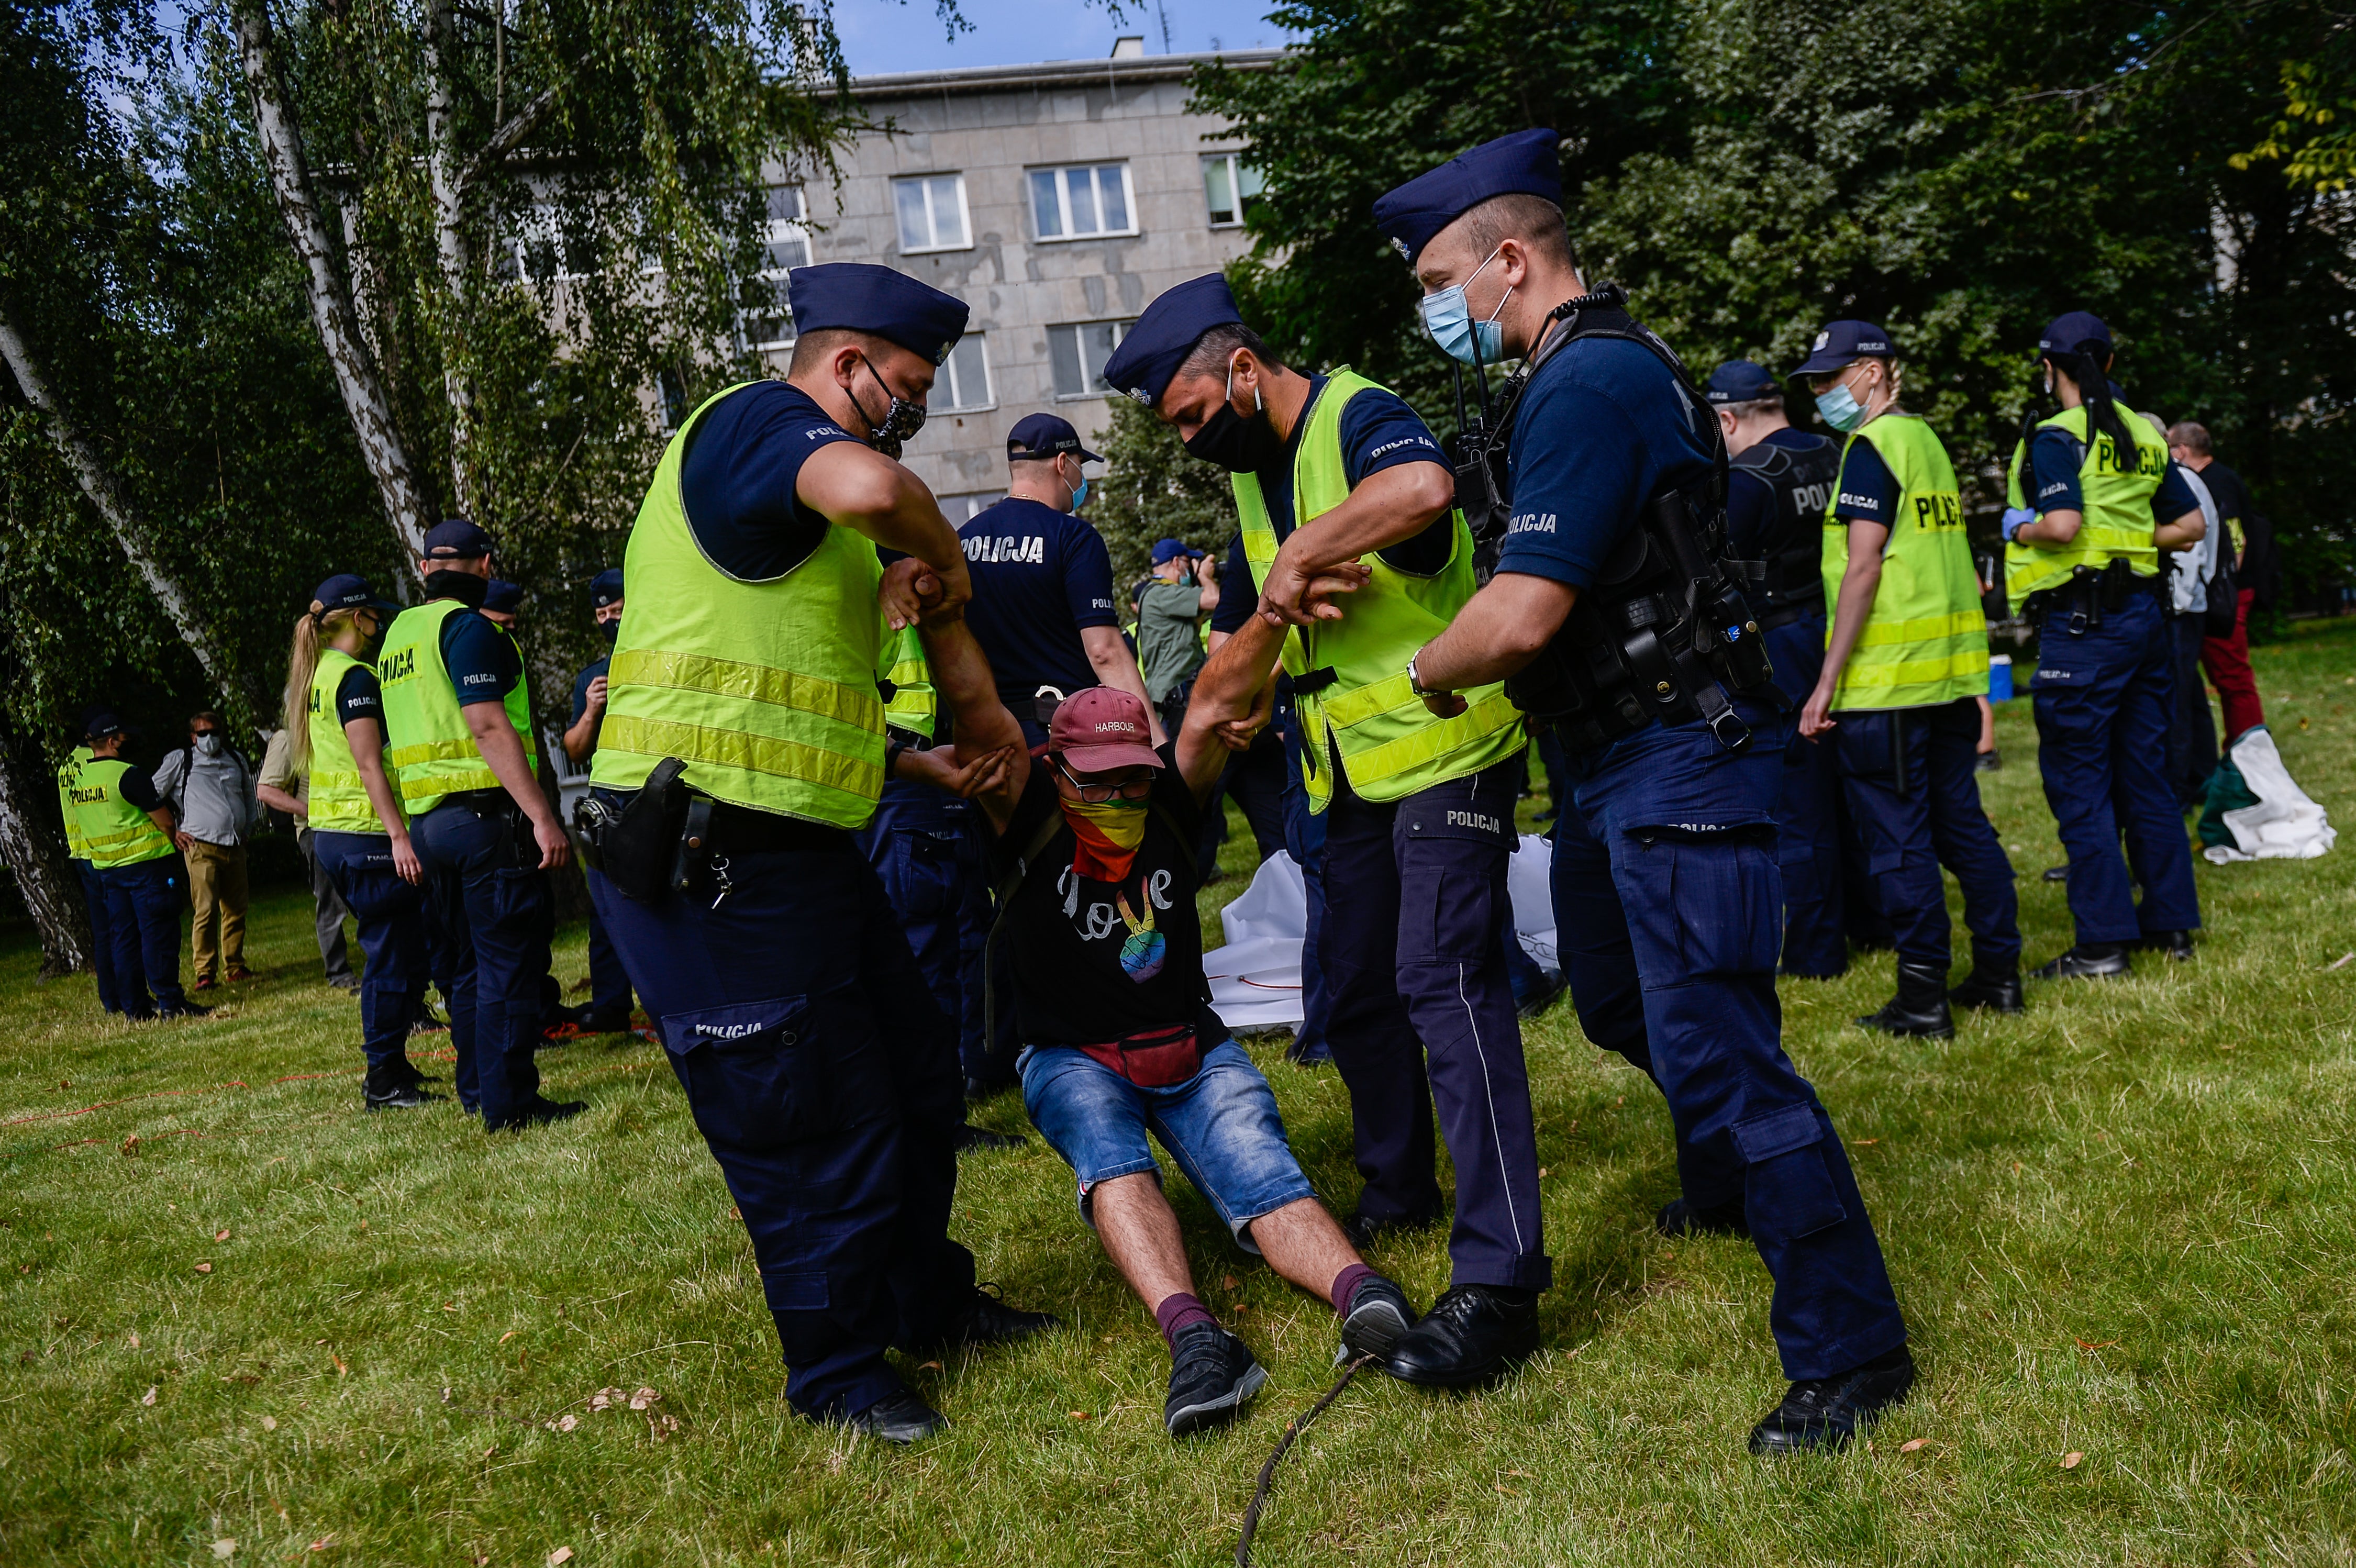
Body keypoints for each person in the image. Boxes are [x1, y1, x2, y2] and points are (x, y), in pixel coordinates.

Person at [1374, 129, 1912, 1450]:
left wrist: (1431, 670)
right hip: (1610, 760)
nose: (1434, 309)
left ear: (1508, 260)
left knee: (1722, 1054)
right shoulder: (1577, 376)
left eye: (1441, 278)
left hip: (1677, 753)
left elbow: (1514, 618)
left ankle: (1851, 1350)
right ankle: (1729, 1182)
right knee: (1617, 1002)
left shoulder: (1588, 383)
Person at [582, 262, 1054, 1444]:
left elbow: (780, 691)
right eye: (904, 384)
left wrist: (916, 759)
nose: (913, 409)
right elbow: (876, 480)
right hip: (707, 859)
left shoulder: (817, 534)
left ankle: (923, 1300)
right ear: (844, 365)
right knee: (804, 1118)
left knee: (911, 1076)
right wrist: (950, 605)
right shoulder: (755, 418)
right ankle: (836, 1365)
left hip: (799, 846)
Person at [1103, 271, 1546, 1388]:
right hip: (1342, 774)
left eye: (1197, 416)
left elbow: (1423, 487)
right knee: (1350, 988)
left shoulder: (1354, 413)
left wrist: (1301, 560)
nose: (1194, 442)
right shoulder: (1261, 474)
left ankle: (1501, 1275)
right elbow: (1279, 620)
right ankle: (1398, 1187)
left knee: (1445, 987)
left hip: (1446, 747)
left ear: (1244, 370)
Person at [926, 576, 1425, 1437]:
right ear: (1059, 769)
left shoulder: (1169, 796)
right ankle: (1196, 1341)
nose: (1119, 801)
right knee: (1111, 1160)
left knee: (1261, 1168)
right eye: (1099, 784)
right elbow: (975, 702)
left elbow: (1213, 702)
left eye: (1131, 782)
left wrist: (1272, 613)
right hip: (1071, 1055)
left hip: (1189, 1046)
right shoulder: (1027, 806)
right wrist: (940, 615)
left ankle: (1365, 1294)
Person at [1788, 323, 2021, 1033]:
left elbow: (1864, 566)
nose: (1824, 393)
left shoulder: (1870, 449)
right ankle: (1998, 974)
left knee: (1899, 843)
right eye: (1817, 383)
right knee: (1963, 828)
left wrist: (1825, 681)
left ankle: (1923, 998)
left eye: (1833, 378)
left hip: (1887, 685)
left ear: (1874, 371)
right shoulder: (1926, 443)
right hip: (1948, 679)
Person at [2001, 313, 2205, 975]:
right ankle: (2171, 925)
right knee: (2145, 776)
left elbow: (2061, 525)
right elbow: (2190, 524)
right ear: (2109, 365)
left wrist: (2019, 528)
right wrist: (2125, 546)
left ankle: (2103, 943)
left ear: (2050, 368)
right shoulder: (2145, 435)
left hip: (2084, 628)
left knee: (2081, 784)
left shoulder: (2059, 436)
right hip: (2143, 619)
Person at [379, 518, 582, 1130]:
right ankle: (511, 1103)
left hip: (428, 825)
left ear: (423, 570)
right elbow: (488, 726)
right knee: (507, 964)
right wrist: (543, 816)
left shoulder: (397, 637)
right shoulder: (466, 628)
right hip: (483, 819)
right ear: (486, 566)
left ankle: (477, 1088)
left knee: (464, 967)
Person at [1708, 359, 1848, 979]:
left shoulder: (1750, 476)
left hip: (1784, 638)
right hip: (1842, 629)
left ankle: (1818, 951)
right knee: (1850, 788)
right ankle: (1870, 921)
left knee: (1801, 800)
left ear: (1729, 418)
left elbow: (1716, 563)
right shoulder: (1835, 452)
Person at [284, 574, 440, 1108]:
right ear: (358, 618)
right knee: (392, 956)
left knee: (395, 951)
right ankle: (383, 1081)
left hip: (335, 833)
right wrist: (400, 835)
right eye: (374, 614)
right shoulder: (353, 679)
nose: (379, 623)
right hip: (367, 835)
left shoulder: (319, 675)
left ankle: (394, 1066)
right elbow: (369, 764)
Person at [958, 414, 1158, 749]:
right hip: (1064, 735)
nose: (1082, 479)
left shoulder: (963, 539)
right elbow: (1104, 651)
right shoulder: (1074, 537)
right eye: (1081, 466)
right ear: (1063, 463)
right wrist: (1153, 738)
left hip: (985, 735)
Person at [70, 711, 206, 1020]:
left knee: (123, 940)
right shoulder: (128, 775)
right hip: (146, 869)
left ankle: (135, 1008)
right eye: (124, 737)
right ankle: (171, 1002)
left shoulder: (81, 780)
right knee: (157, 935)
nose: (129, 741)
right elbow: (165, 820)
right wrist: (171, 835)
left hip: (108, 871)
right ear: (112, 741)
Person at [559, 568, 637, 1033]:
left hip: (665, 795)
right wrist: (591, 709)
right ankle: (610, 1005)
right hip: (610, 805)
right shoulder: (592, 677)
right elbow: (574, 749)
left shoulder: (667, 658)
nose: (610, 620)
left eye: (619, 611)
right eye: (603, 614)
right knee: (606, 909)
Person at [2166, 422, 2269, 748]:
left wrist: (2220, 584)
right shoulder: (2217, 477)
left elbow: (2236, 538)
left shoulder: (2215, 482)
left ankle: (2248, 751)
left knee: (2232, 676)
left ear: (2181, 451)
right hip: (2227, 590)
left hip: (2229, 593)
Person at [151, 710, 259, 992]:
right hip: (201, 846)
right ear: (193, 736)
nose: (209, 738)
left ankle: (235, 966)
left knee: (236, 910)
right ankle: (205, 973)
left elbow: (249, 796)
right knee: (206, 910)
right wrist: (172, 831)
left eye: (214, 732)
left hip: (235, 845)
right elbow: (151, 796)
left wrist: (247, 830)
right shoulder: (181, 760)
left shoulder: (235, 759)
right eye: (203, 733)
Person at [257, 727, 362, 993]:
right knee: (332, 904)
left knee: (365, 897)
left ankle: (384, 964)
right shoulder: (288, 738)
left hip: (350, 825)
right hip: (316, 831)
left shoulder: (330, 729)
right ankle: (339, 973)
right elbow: (266, 790)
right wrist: (311, 811)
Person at [53, 733, 123, 1014]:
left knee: (103, 933)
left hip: (81, 855)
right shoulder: (99, 762)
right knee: (122, 929)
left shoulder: (67, 765)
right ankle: (129, 995)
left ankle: (111, 1000)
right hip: (103, 856)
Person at [1137, 539, 1221, 737]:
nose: (1190, 568)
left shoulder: (1162, 595)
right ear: (1177, 562)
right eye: (1188, 562)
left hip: (1176, 694)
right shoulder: (1162, 593)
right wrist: (1204, 576)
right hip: (1172, 698)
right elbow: (1213, 599)